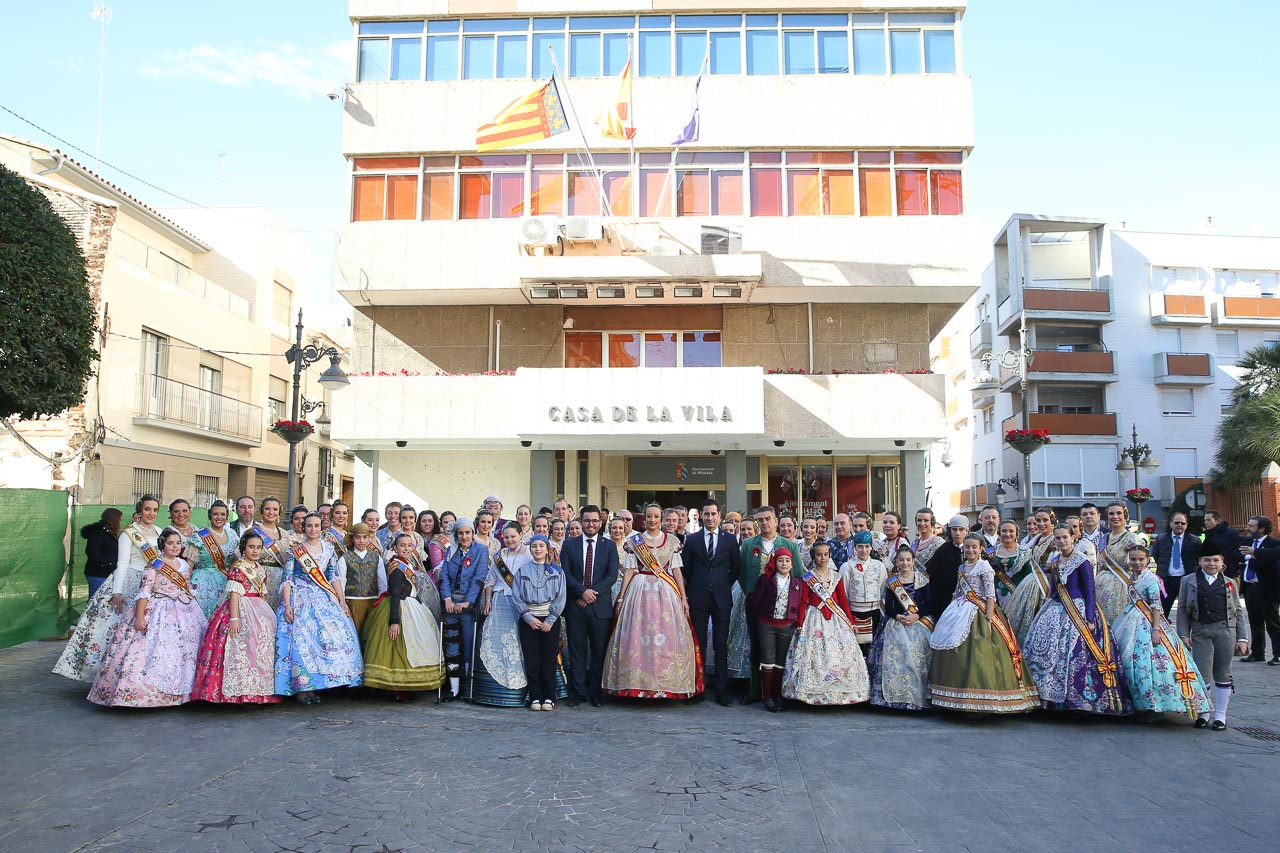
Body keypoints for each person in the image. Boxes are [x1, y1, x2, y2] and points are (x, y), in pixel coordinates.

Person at [89, 529, 207, 707]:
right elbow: (144, 592)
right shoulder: (154, 566)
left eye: (177, 543)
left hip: (183, 609)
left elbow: (186, 587)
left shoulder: (182, 565)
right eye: (170, 543)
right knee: (149, 650)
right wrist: (139, 617)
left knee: (186, 651)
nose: (175, 546)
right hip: (158, 609)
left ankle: (184, 694)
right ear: (162, 545)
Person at [1025, 524, 1131, 715]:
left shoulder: (1082, 561)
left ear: (1073, 538)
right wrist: (1045, 607)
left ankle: (1076, 701)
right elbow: (1053, 588)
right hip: (1055, 609)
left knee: (1075, 653)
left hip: (1078, 609)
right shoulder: (1055, 560)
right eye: (1057, 538)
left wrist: (1090, 618)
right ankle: (1047, 697)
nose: (1061, 541)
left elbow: (1090, 590)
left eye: (1065, 537)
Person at [54, 497, 163, 683]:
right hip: (130, 581)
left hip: (151, 583)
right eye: (147, 509)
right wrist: (117, 592)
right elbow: (122, 563)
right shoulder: (128, 533)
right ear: (139, 510)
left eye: (154, 510)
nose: (151, 513)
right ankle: (110, 675)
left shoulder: (160, 531)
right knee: (118, 628)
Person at [929, 533, 1038, 714]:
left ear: (981, 549)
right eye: (967, 547)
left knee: (978, 653)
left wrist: (988, 619)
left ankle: (981, 697)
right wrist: (949, 611)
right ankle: (953, 696)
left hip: (979, 613)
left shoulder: (984, 566)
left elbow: (990, 595)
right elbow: (957, 591)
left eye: (974, 547)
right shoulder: (962, 567)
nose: (970, 550)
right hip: (959, 609)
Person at [604, 503, 700, 700]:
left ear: (662, 518)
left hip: (666, 593)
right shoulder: (635, 541)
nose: (653, 520)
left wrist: (683, 597)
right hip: (638, 592)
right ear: (644, 518)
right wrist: (621, 597)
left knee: (665, 638)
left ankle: (664, 686)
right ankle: (636, 686)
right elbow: (630, 570)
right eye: (649, 516)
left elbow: (676, 570)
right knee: (637, 638)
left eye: (656, 516)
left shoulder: (672, 541)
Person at [274, 513, 364, 704]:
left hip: (324, 596)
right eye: (309, 526)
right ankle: (302, 687)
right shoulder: (295, 551)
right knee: (302, 639)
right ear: (303, 527)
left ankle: (325, 684)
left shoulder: (329, 549)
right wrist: (288, 604)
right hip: (301, 596)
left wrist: (341, 601)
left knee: (335, 634)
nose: (313, 529)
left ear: (322, 527)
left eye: (316, 525)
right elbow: (287, 579)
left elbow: (333, 576)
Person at [1113, 545, 1209, 721]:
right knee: (1128, 660)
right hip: (1129, 620)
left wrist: (1156, 630)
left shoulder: (1151, 579)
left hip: (1147, 622)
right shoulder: (1131, 577)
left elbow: (1157, 606)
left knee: (1150, 664)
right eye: (1133, 559)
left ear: (1147, 560)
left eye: (1141, 559)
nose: (1137, 562)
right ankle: (1136, 703)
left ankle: (1154, 705)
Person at [191, 532, 283, 705]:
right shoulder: (238, 567)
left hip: (258, 609)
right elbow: (234, 593)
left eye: (258, 547)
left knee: (258, 648)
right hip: (240, 608)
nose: (255, 551)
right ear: (243, 548)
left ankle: (257, 690)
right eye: (251, 547)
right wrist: (234, 619)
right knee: (239, 646)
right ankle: (236, 691)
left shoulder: (259, 568)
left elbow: (261, 592)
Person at [782, 540, 869, 706]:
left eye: (826, 555)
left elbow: (843, 601)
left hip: (836, 620)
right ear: (813, 557)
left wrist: (850, 621)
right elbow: (803, 602)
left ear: (830, 556)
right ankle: (811, 692)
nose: (822, 558)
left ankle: (840, 692)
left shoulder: (836, 576)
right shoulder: (808, 577)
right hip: (814, 619)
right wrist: (800, 623)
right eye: (819, 555)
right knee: (814, 655)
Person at [361, 532, 445, 699]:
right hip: (400, 608)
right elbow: (395, 595)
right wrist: (394, 621)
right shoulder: (397, 568)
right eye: (402, 546)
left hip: (412, 606)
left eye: (409, 546)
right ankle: (397, 688)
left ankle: (404, 687)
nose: (406, 548)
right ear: (395, 547)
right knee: (397, 648)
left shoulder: (405, 563)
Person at [737, 506, 803, 703]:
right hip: (756, 602)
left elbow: (797, 575)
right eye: (760, 520)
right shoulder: (749, 544)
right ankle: (755, 690)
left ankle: (776, 692)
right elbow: (741, 572)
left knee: (779, 648)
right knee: (756, 646)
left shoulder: (789, 545)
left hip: (781, 605)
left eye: (768, 519)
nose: (764, 523)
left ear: (775, 520)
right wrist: (751, 591)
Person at [1178, 553, 1249, 730]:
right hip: (1201, 631)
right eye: (1207, 560)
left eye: (1216, 560)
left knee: (1223, 673)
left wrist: (1242, 638)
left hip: (1225, 631)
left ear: (1222, 563)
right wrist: (1183, 634)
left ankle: (1220, 715)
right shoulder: (1188, 581)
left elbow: (1238, 612)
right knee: (1202, 672)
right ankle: (1204, 712)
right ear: (1199, 561)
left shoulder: (1229, 583)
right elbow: (1181, 610)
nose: (1211, 564)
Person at [681, 499, 741, 706]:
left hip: (722, 598)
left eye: (713, 514)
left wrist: (721, 584)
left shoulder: (730, 540)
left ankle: (721, 690)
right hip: (698, 598)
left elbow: (736, 569)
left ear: (719, 515)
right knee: (699, 645)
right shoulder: (693, 539)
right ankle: (697, 689)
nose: (709, 517)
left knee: (720, 645)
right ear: (700, 516)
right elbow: (686, 569)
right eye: (706, 514)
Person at [562, 505, 620, 707]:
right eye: (587, 520)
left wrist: (589, 594)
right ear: (581, 521)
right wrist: (581, 592)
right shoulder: (569, 545)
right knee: (577, 651)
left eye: (595, 520)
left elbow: (611, 576)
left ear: (601, 522)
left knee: (598, 652)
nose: (591, 524)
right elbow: (566, 574)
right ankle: (578, 692)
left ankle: (596, 692)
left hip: (600, 608)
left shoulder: (609, 546)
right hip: (575, 607)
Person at [472, 524, 536, 707]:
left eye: (513, 537)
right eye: (506, 537)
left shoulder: (530, 556)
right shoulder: (499, 556)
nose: (509, 540)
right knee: (497, 641)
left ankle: (523, 691)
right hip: (500, 604)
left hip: (521, 605)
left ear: (520, 535)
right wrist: (489, 600)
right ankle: (494, 692)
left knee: (519, 643)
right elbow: (490, 581)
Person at [869, 546, 933, 711]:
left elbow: (928, 604)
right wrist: (897, 616)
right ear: (896, 562)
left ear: (913, 562)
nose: (904, 563)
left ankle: (916, 698)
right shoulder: (892, 582)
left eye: (908, 560)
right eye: (901, 560)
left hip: (918, 622)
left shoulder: (922, 580)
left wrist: (916, 616)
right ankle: (894, 699)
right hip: (896, 623)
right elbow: (889, 607)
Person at [511, 535, 568, 711]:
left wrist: (550, 620)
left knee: (548, 659)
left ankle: (549, 696)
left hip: (549, 620)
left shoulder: (557, 572)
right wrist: (528, 617)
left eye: (541, 546)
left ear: (547, 548)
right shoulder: (522, 571)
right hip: (529, 619)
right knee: (532, 659)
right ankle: (535, 696)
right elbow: (517, 595)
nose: (537, 549)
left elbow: (561, 597)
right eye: (534, 546)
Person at [749, 550, 804, 712]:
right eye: (780, 560)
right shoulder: (766, 580)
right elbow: (755, 602)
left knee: (780, 663)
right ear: (775, 562)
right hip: (766, 625)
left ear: (792, 564)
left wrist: (797, 622)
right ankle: (767, 697)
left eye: (787, 560)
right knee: (768, 661)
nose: (784, 564)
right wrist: (759, 620)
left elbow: (800, 603)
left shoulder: (796, 583)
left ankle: (777, 695)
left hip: (786, 626)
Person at [439, 518, 488, 700]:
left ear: (473, 533)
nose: (464, 536)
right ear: (456, 534)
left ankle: (468, 685)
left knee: (469, 643)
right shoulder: (451, 549)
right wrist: (447, 599)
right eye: (461, 533)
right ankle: (454, 687)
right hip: (451, 603)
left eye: (467, 533)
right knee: (451, 643)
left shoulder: (481, 550)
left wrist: (468, 602)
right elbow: (444, 576)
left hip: (468, 605)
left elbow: (479, 577)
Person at [1004, 508, 1057, 647]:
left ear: (1052, 521)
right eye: (1038, 520)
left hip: (1048, 584)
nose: (1041, 523)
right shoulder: (1037, 539)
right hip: (1032, 583)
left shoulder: (1055, 538)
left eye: (1045, 520)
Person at [186, 500, 241, 620]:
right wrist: (186, 586)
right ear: (210, 515)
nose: (219, 517)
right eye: (216, 514)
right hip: (202, 582)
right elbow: (189, 564)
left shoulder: (232, 535)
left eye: (222, 514)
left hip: (226, 581)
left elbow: (237, 561)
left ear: (227, 516)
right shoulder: (199, 536)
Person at [1236, 515, 1280, 664]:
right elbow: (1237, 557)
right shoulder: (1246, 542)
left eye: (1251, 526)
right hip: (1249, 587)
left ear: (1261, 529)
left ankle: (1278, 654)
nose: (1248, 528)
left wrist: (1254, 556)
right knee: (1255, 621)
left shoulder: (1273, 544)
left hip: (1266, 588)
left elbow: (1270, 562)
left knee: (1272, 622)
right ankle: (1257, 652)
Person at [838, 531, 888, 656]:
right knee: (856, 648)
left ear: (871, 547)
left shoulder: (879, 566)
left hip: (874, 611)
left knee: (873, 647)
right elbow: (844, 590)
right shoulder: (847, 566)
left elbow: (882, 588)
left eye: (867, 546)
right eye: (860, 546)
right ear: (855, 547)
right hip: (855, 612)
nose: (863, 550)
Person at [336, 522, 387, 634]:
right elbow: (341, 581)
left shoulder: (376, 557)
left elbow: (382, 581)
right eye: (358, 537)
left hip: (373, 602)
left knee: (370, 634)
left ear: (369, 538)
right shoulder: (345, 558)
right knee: (354, 632)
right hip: (352, 602)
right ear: (352, 538)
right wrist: (342, 601)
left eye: (365, 537)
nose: (361, 540)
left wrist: (382, 600)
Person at [1149, 512, 1201, 618]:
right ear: (1171, 524)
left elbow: (1198, 559)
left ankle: (1186, 634)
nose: (1179, 525)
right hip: (1167, 581)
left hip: (1186, 580)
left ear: (1186, 525)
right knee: (1163, 611)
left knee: (1188, 611)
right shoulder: (1161, 539)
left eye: (1183, 523)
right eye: (1176, 522)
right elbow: (1156, 555)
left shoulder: (1194, 541)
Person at [251, 496, 292, 610]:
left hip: (280, 580)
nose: (271, 512)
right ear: (262, 510)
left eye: (275, 509)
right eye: (267, 509)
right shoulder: (252, 532)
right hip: (257, 578)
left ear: (279, 512)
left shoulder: (285, 535)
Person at [924, 517, 968, 623]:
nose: (958, 533)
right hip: (946, 601)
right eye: (954, 529)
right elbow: (931, 577)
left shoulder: (973, 548)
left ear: (967, 531)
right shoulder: (942, 551)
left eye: (961, 529)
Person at [988, 520, 1032, 611]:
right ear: (999, 533)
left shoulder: (1025, 552)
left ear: (1016, 533)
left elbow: (1029, 578)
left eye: (1011, 531)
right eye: (1004, 531)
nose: (1007, 534)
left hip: (1018, 598)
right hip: (994, 598)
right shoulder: (990, 552)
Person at [80, 507, 121, 598]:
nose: (119, 522)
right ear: (113, 519)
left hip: (104, 573)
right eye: (119, 519)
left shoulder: (107, 532)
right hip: (98, 574)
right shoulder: (98, 533)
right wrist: (107, 564)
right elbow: (91, 551)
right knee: (95, 601)